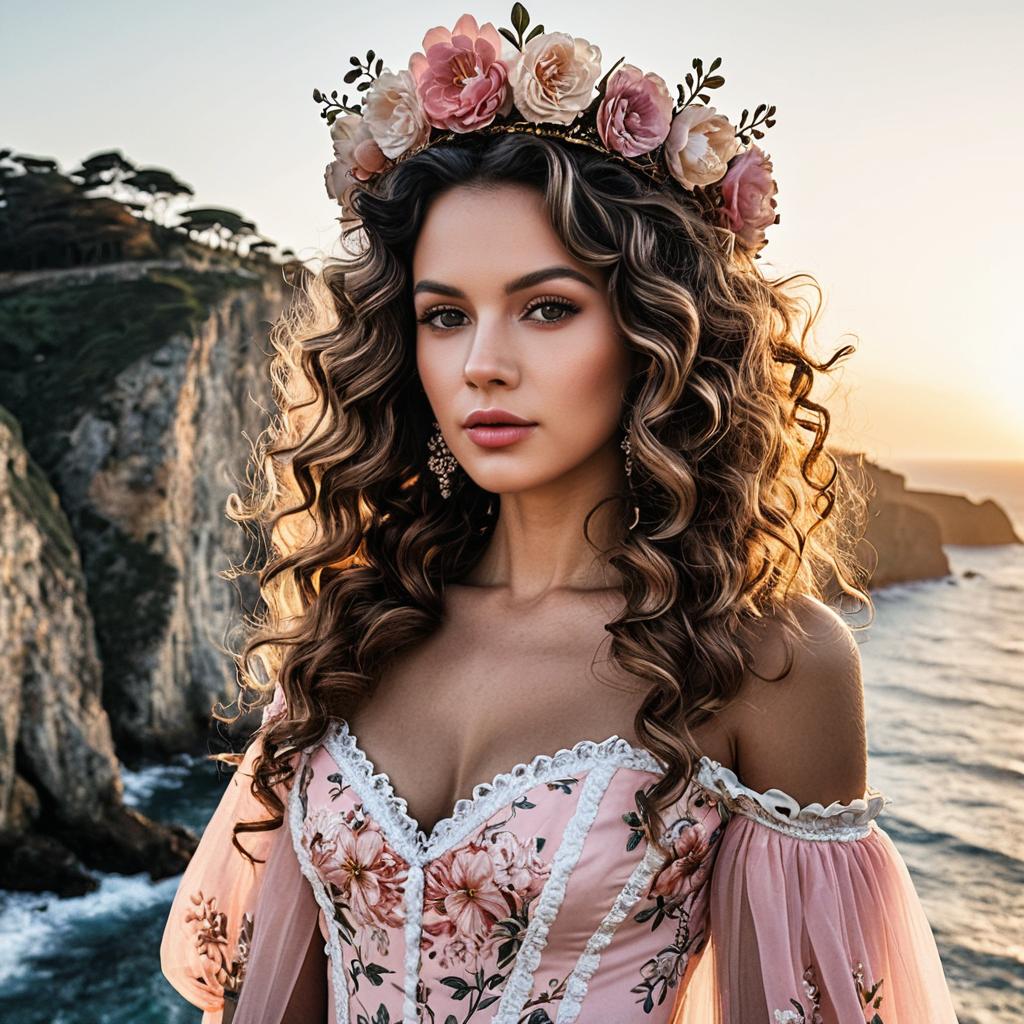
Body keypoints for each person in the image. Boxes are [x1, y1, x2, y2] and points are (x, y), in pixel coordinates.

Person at [160, 8, 962, 1023]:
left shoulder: (765, 661)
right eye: (445, 315)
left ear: (653, 331)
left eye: (547, 307)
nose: (482, 363)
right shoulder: (351, 626)